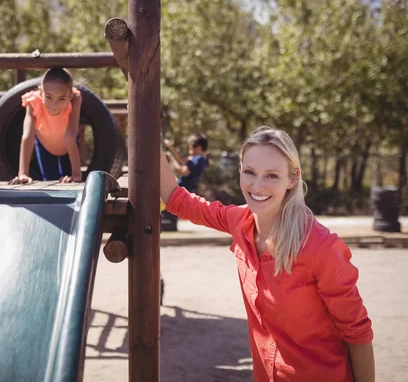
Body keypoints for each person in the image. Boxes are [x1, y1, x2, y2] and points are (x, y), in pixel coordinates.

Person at [159, 126, 375, 381]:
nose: (258, 185)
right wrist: (145, 130)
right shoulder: (238, 221)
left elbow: (357, 334)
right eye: (249, 172)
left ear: (292, 178)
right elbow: (177, 199)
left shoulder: (320, 247)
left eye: (272, 175)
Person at [10, 67, 82, 184]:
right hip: (45, 147)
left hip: (69, 147)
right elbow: (28, 135)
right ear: (41, 92)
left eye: (62, 98)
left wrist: (76, 173)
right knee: (50, 180)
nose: (54, 104)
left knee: (70, 181)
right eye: (48, 97)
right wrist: (23, 173)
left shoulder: (76, 98)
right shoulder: (33, 101)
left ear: (70, 96)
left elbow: (71, 134)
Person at [161, 133, 209, 232]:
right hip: (184, 188)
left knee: (165, 204)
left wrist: (171, 158)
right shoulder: (201, 159)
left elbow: (181, 170)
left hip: (181, 189)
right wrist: (171, 148)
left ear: (199, 148)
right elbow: (183, 160)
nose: (190, 152)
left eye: (191, 149)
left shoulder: (198, 159)